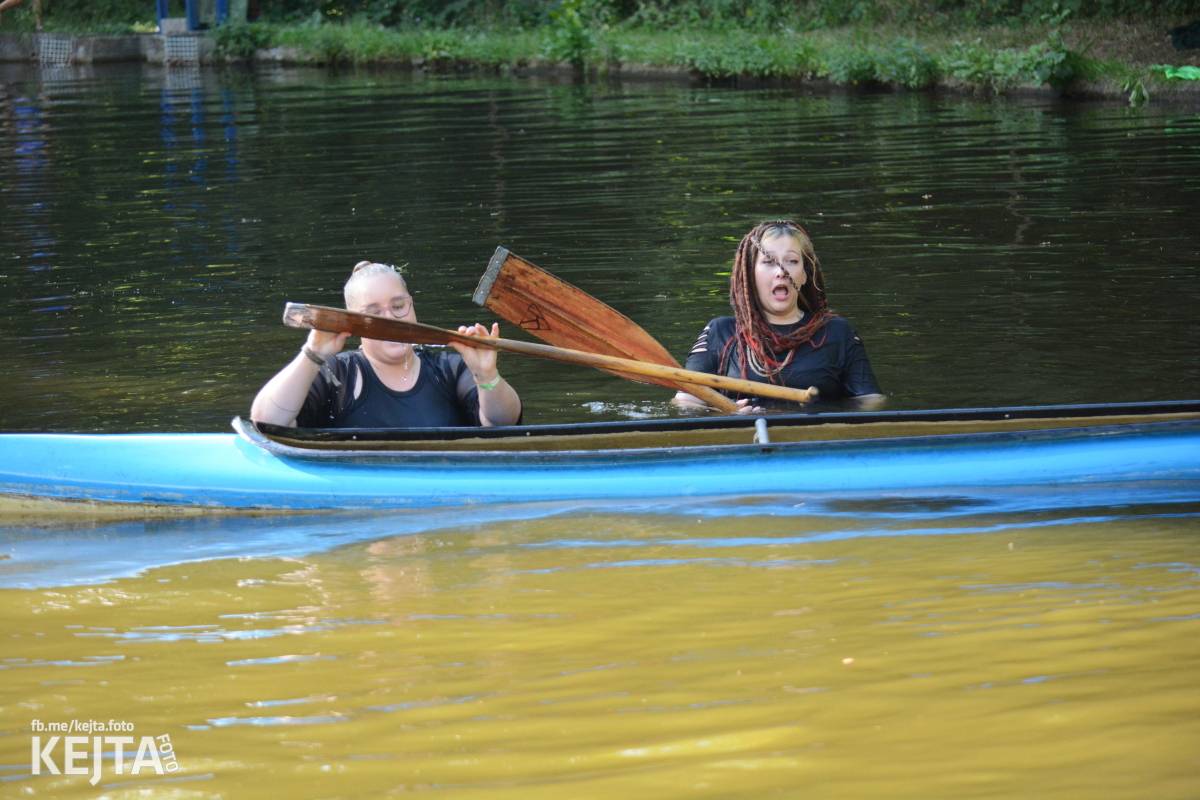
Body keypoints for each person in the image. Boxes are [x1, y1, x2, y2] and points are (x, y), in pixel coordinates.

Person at [251, 261, 521, 428]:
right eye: (374, 313)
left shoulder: (451, 370)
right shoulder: (337, 375)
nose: (391, 319)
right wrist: (312, 354)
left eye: (398, 306)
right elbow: (267, 422)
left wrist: (487, 376)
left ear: (412, 305)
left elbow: (503, 423)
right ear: (353, 322)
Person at [674, 219, 885, 413]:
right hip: (742, 441)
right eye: (768, 261)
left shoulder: (837, 332)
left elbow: (870, 400)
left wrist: (830, 415)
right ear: (750, 274)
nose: (781, 271)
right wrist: (725, 411)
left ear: (804, 275)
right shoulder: (720, 332)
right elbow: (686, 402)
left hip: (815, 442)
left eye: (792, 261)